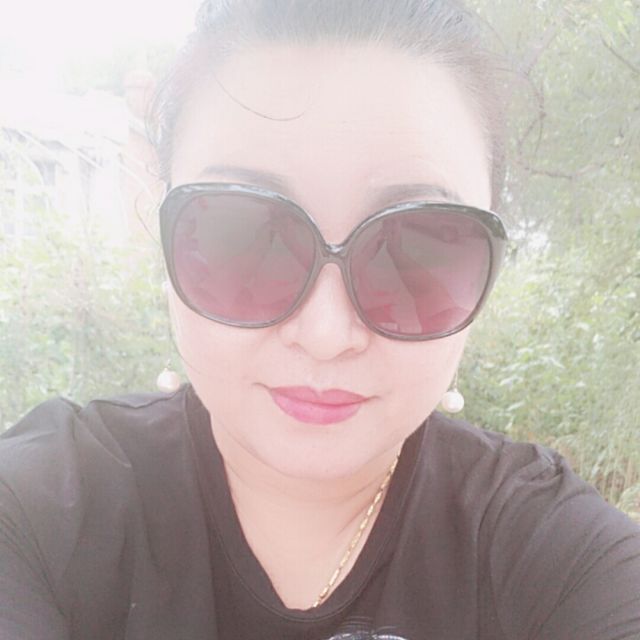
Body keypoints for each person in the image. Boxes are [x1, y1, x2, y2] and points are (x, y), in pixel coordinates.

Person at [1, 1, 639, 638]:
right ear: (165, 243)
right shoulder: (37, 511)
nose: (326, 335)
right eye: (241, 237)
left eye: (416, 250)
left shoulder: (560, 561)